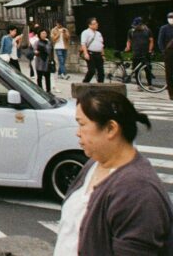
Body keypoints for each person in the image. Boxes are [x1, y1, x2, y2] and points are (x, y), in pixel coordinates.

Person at [53, 90, 172, 255]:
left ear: (111, 128)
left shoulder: (138, 191)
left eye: (82, 124)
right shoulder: (94, 163)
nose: (77, 132)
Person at [124, 17, 155, 90]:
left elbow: (151, 40)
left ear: (141, 24)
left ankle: (150, 84)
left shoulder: (147, 30)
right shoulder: (131, 31)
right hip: (136, 52)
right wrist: (128, 47)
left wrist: (150, 50)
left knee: (148, 69)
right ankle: (139, 85)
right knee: (136, 69)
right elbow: (128, 40)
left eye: (136, 25)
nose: (135, 26)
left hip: (146, 52)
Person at [80, 17, 105, 84]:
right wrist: (85, 53)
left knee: (101, 71)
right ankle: (85, 82)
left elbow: (101, 44)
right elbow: (83, 44)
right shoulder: (85, 32)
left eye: (96, 23)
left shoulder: (99, 33)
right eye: (94, 23)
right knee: (92, 70)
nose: (96, 25)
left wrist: (103, 54)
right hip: (90, 53)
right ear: (90, 25)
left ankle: (100, 84)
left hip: (98, 54)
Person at [34, 28, 54, 93]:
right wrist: (36, 52)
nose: (44, 34)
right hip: (39, 62)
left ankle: (48, 90)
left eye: (45, 33)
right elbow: (35, 51)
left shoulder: (48, 42)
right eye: (42, 33)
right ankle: (40, 90)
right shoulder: (36, 42)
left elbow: (49, 51)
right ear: (39, 34)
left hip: (47, 62)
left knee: (47, 77)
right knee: (39, 77)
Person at [159, 12, 173, 100]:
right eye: (170, 17)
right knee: (170, 73)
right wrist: (163, 51)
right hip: (169, 53)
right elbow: (160, 41)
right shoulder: (164, 28)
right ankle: (171, 93)